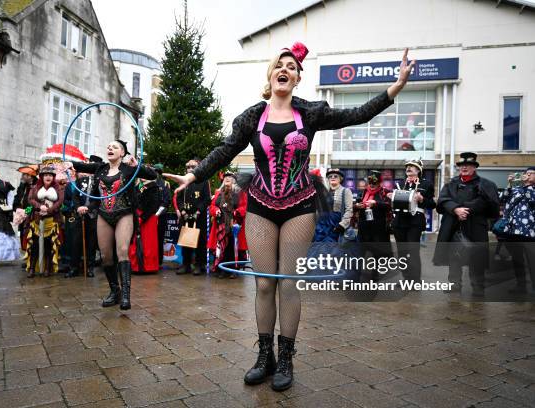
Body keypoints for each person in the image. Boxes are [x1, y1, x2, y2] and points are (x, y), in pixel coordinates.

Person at [164, 43, 415, 391]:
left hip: (299, 204)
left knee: (288, 282)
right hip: (261, 204)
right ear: (271, 75)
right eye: (280, 65)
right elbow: (225, 150)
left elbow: (357, 114)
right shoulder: (252, 117)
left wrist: (397, 86)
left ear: (297, 78)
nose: (285, 69)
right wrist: (193, 176)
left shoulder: (310, 113)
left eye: (292, 66)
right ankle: (263, 355)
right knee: (264, 281)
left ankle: (286, 358)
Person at [70, 140, 157, 310]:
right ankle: (114, 291)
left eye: (115, 147)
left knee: (122, 251)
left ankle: (125, 295)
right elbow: (80, 166)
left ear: (122, 153)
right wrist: (67, 163)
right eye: (108, 146)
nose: (110, 148)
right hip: (104, 214)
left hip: (124, 212)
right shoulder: (100, 168)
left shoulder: (129, 169)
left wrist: (138, 165)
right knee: (106, 256)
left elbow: (153, 175)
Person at [433, 152, 500, 296]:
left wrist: (467, 210)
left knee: (477, 259)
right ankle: (454, 284)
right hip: (454, 228)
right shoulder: (451, 184)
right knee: (454, 257)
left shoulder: (486, 184)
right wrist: (455, 209)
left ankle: (478, 287)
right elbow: (441, 202)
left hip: (475, 228)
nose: (464, 167)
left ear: (474, 167)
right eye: (462, 165)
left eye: (468, 165)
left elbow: (492, 207)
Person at [390, 159, 436, 283]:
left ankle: (415, 280)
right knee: (402, 252)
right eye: (408, 166)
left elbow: (432, 204)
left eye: (412, 167)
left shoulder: (426, 184)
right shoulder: (400, 184)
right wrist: (391, 197)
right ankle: (406, 279)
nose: (409, 168)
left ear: (418, 170)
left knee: (412, 251)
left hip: (414, 221)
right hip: (399, 221)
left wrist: (422, 198)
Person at [497, 166, 535, 293]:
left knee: (532, 261)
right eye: (526, 173)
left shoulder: (531, 189)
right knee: (517, 260)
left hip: (530, 232)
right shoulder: (516, 188)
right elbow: (502, 198)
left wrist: (527, 186)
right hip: (512, 231)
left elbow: (532, 200)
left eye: (531, 174)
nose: (527, 175)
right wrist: (509, 184)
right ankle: (521, 286)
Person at [173, 159, 211, 276]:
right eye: (188, 167)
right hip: (185, 216)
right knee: (185, 241)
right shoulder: (183, 182)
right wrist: (182, 210)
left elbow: (207, 199)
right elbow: (178, 198)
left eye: (193, 166)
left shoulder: (204, 181)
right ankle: (186, 264)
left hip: (199, 216)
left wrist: (199, 211)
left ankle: (200, 265)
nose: (190, 169)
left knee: (200, 242)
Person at [25, 165, 64, 278]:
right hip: (37, 220)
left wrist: (49, 210)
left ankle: (47, 268)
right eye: (45, 175)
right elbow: (30, 199)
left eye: (50, 175)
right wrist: (39, 206)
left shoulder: (59, 188)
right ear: (41, 177)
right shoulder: (35, 187)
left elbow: (60, 201)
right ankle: (32, 268)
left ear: (53, 177)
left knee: (49, 245)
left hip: (52, 220)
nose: (48, 177)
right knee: (35, 245)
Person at [67, 155, 102, 278]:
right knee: (76, 242)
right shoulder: (80, 181)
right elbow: (75, 196)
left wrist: (88, 208)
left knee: (91, 244)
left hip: (92, 216)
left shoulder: (100, 182)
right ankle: (74, 268)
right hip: (79, 215)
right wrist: (78, 207)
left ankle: (90, 268)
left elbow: (99, 199)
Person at [207, 172, 248, 278]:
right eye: (225, 178)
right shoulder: (218, 193)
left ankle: (233, 269)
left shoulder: (240, 193)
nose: (227, 179)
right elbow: (212, 206)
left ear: (234, 181)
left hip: (235, 226)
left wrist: (236, 212)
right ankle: (222, 269)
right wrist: (215, 210)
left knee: (233, 247)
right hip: (220, 225)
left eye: (229, 177)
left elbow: (245, 207)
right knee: (221, 247)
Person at [355, 170, 392, 280]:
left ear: (379, 182)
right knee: (360, 251)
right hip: (363, 226)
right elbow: (356, 204)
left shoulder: (384, 192)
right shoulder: (363, 192)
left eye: (374, 183)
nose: (371, 185)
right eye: (370, 182)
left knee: (377, 252)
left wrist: (376, 203)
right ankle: (357, 275)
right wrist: (357, 206)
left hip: (378, 228)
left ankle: (375, 274)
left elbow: (389, 206)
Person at [129, 178, 161, 273]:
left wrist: (142, 217)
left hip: (148, 218)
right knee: (134, 241)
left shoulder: (153, 187)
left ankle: (149, 267)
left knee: (148, 243)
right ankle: (135, 267)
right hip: (136, 216)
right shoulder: (137, 186)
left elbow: (154, 205)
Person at [313, 169, 353, 242]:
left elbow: (349, 210)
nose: (333, 177)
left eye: (335, 176)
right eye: (330, 176)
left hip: (336, 225)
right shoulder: (323, 192)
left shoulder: (346, 191)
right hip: (322, 225)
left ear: (340, 179)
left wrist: (342, 225)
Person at [13, 165, 38, 256]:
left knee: (30, 235)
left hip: (32, 215)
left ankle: (31, 257)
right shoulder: (23, 185)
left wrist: (26, 211)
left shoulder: (37, 186)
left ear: (30, 176)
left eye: (24, 175)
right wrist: (17, 208)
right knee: (23, 235)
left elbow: (36, 201)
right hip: (23, 215)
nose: (22, 176)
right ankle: (26, 255)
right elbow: (18, 197)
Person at [153, 163, 171, 269]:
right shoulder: (148, 183)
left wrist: (157, 213)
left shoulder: (165, 184)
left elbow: (167, 201)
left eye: (158, 172)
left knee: (159, 238)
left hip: (160, 216)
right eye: (154, 171)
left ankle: (158, 262)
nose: (156, 173)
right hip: (149, 216)